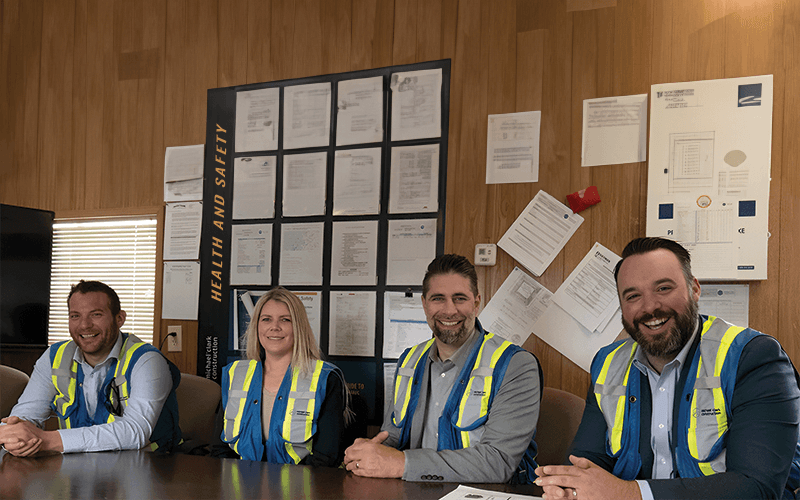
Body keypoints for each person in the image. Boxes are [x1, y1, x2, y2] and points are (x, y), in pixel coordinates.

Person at [535, 237, 800, 500]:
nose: (650, 307)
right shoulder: (608, 363)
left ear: (694, 289)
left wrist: (629, 493)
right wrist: (569, 488)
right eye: (633, 296)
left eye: (663, 288)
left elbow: (757, 488)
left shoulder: (753, 357)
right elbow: (589, 460)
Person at [344, 254, 542, 483]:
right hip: (413, 490)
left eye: (460, 298)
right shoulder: (408, 360)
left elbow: (498, 462)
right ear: (424, 304)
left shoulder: (515, 365)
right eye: (438, 299)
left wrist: (402, 463)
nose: (449, 310)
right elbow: (393, 436)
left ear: (476, 303)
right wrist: (369, 452)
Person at [0, 280, 182, 456]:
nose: (84, 325)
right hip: (77, 466)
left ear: (119, 318)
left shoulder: (147, 360)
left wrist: (48, 440)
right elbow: (24, 415)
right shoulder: (53, 357)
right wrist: (14, 436)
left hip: (150, 466)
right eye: (75, 316)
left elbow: (135, 431)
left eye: (96, 314)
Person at [219, 287, 350, 466]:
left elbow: (326, 458)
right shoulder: (235, 374)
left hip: (299, 481)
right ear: (257, 326)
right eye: (266, 319)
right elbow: (219, 448)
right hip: (241, 480)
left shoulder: (325, 378)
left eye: (285, 320)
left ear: (298, 327)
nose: (274, 327)